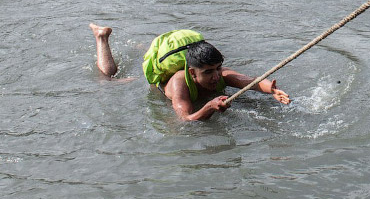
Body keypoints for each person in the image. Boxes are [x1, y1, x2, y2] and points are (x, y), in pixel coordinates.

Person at [89, 24, 290, 122]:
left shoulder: (221, 74)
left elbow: (248, 82)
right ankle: (102, 38)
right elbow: (185, 119)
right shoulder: (180, 84)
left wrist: (270, 90)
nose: (216, 76)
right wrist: (209, 108)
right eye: (209, 72)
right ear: (192, 73)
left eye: (218, 68)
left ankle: (145, 47)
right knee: (109, 79)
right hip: (160, 84)